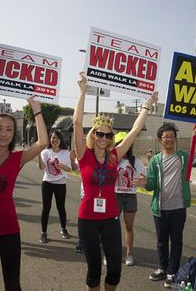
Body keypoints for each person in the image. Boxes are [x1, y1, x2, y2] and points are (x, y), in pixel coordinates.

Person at [73, 71, 158, 291]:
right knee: (93, 270)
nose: (103, 138)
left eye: (107, 135)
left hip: (110, 218)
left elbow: (135, 130)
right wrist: (83, 92)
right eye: (99, 134)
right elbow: (76, 121)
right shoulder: (84, 155)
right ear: (93, 135)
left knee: (114, 269)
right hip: (87, 220)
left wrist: (147, 106)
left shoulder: (114, 157)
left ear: (111, 138)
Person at [0, 96, 48, 290]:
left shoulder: (17, 158)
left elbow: (42, 142)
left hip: (8, 229)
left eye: (9, 129)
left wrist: (36, 109)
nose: (3, 133)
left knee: (12, 285)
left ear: (14, 133)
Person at [134, 123, 196, 288]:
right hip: (160, 209)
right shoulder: (155, 161)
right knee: (161, 241)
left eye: (172, 137)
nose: (169, 139)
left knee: (177, 241)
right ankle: (163, 267)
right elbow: (151, 184)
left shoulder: (182, 157)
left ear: (175, 139)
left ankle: (172, 272)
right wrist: (145, 183)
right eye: (166, 137)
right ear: (160, 140)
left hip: (178, 208)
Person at [114, 132, 146, 266]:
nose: (123, 146)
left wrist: (143, 182)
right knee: (112, 227)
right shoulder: (112, 159)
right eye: (120, 143)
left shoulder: (136, 161)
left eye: (126, 143)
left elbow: (144, 179)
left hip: (130, 197)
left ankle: (129, 254)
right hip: (115, 196)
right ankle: (112, 254)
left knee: (129, 226)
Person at [37, 130, 72, 243]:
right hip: (47, 182)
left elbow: (69, 169)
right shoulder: (45, 152)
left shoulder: (65, 153)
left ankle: (63, 229)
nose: (54, 140)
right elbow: (41, 167)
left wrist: (63, 166)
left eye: (56, 138)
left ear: (60, 140)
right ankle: (43, 233)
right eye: (52, 138)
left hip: (60, 183)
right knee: (46, 208)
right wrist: (38, 154)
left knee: (61, 207)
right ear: (50, 140)